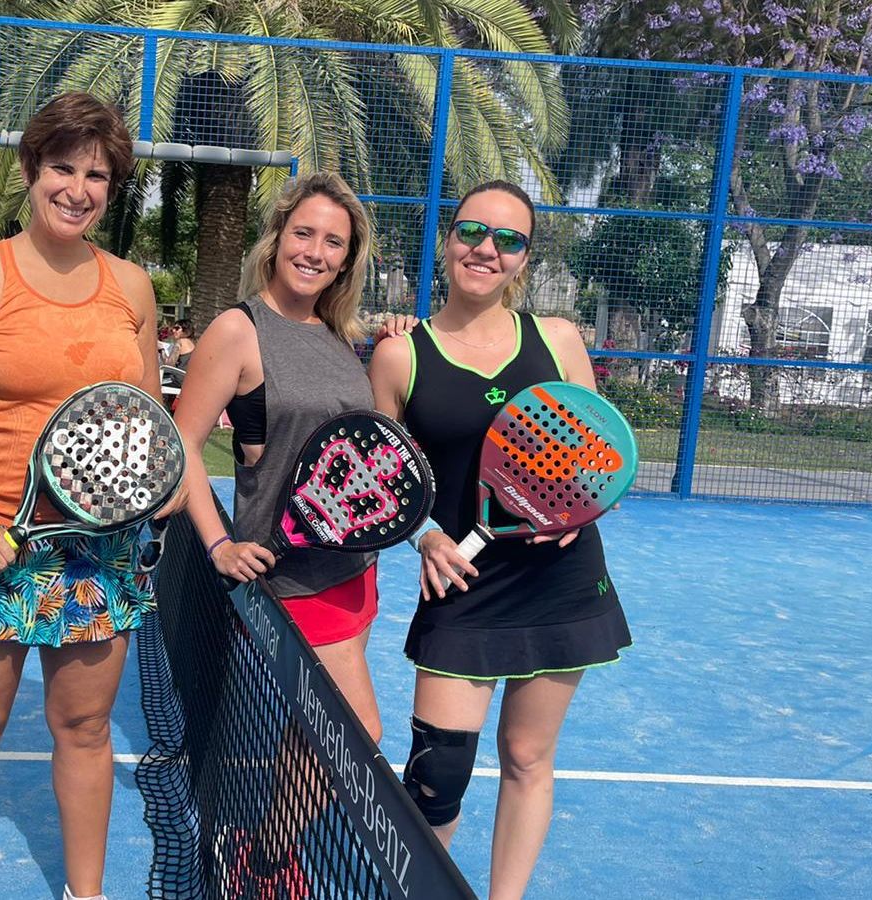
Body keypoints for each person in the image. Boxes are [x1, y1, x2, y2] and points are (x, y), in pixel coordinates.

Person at [0, 92, 182, 900]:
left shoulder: (130, 287)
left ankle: (83, 893)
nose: (78, 188)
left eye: (97, 174)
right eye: (63, 167)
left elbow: (143, 416)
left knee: (86, 730)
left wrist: (153, 485)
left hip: (99, 552)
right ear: (30, 172)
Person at [367, 180, 632, 900]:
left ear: (523, 258)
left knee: (527, 756)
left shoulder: (558, 339)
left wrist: (576, 513)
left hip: (562, 583)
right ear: (449, 239)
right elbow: (383, 480)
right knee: (436, 774)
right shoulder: (399, 355)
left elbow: (600, 455)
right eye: (473, 232)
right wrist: (424, 537)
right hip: (462, 587)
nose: (486, 249)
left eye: (508, 239)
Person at [171, 171, 407, 895]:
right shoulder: (238, 330)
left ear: (347, 260)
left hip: (353, 571)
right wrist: (216, 545)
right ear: (277, 240)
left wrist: (397, 341)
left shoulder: (341, 336)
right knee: (356, 733)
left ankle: (265, 841)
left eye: (332, 242)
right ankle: (268, 854)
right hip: (287, 578)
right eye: (304, 233)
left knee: (310, 733)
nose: (315, 250)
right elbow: (179, 446)